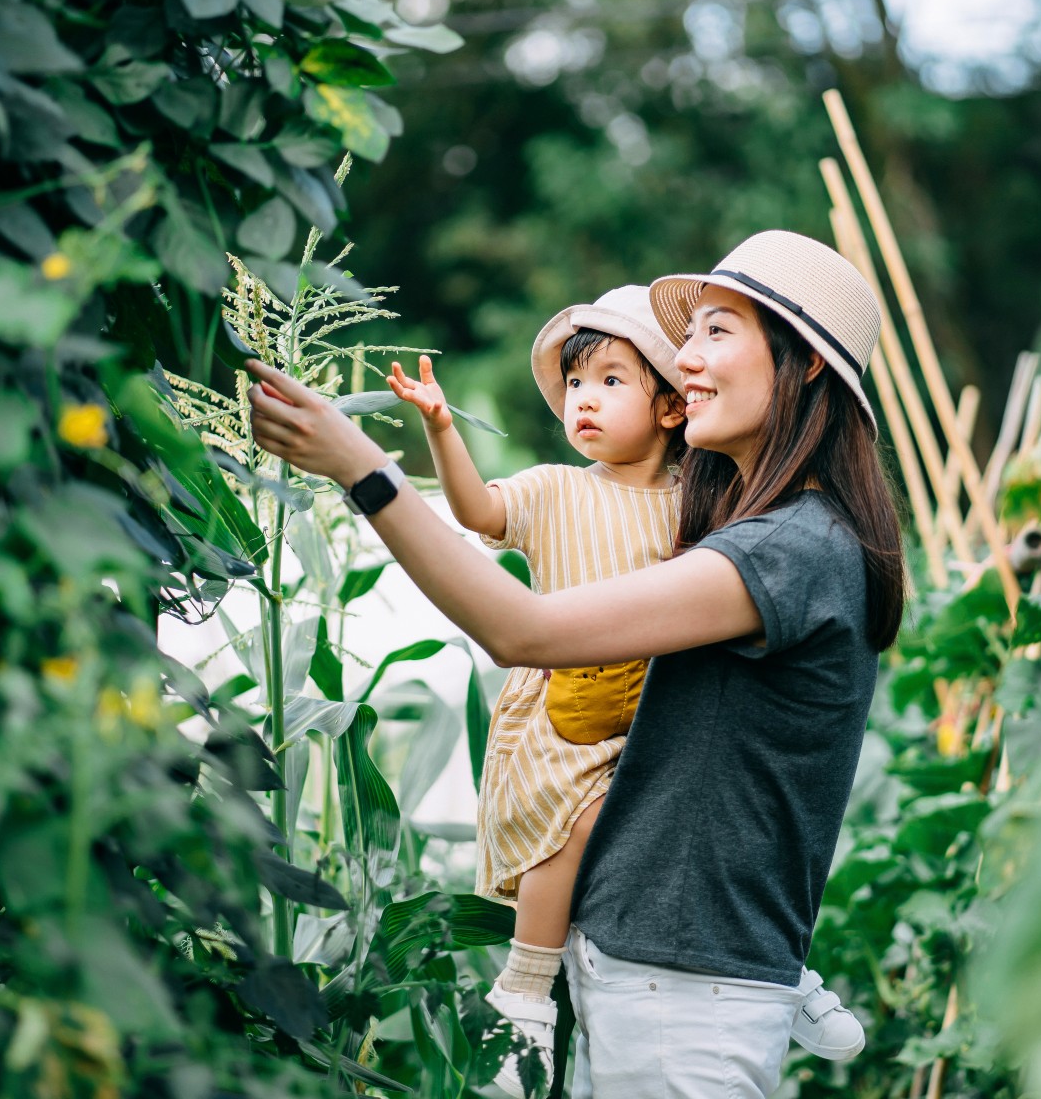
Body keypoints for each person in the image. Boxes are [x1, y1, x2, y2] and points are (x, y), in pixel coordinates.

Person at [247, 231, 904, 1098]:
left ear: (807, 364)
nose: (688, 360)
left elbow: (523, 629)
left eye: (717, 332)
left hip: (686, 998)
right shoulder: (761, 531)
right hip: (656, 973)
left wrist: (365, 470)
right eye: (689, 336)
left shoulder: (789, 549)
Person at [385, 289, 866, 1095]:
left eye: (612, 380)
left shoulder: (737, 525)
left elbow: (522, 629)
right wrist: (438, 430)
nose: (585, 400)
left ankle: (767, 970)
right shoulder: (563, 491)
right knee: (575, 824)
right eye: (577, 384)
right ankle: (529, 984)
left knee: (638, 807)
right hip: (576, 722)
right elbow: (481, 525)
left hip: (686, 971)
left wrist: (366, 480)